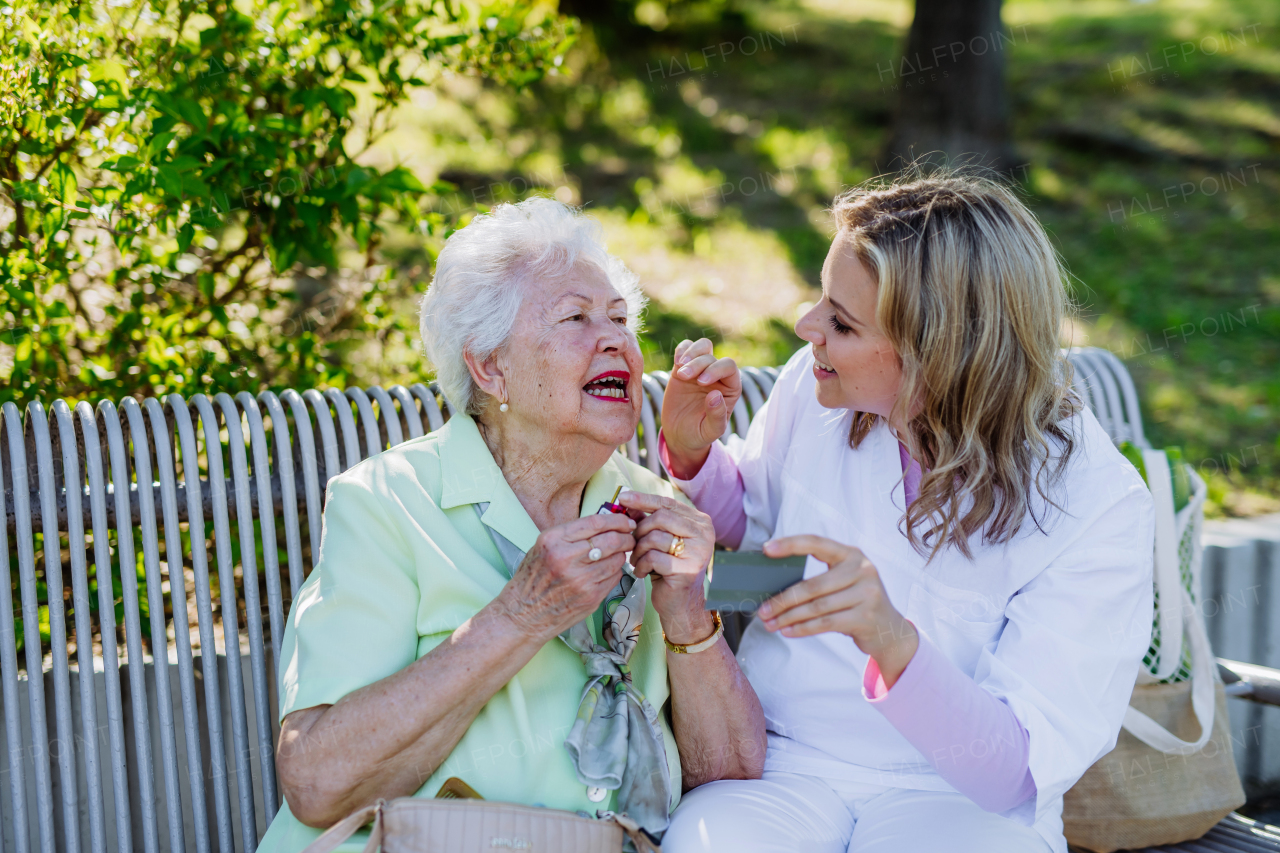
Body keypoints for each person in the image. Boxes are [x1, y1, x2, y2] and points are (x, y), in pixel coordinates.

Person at [657, 174, 1155, 853]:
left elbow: (1012, 772)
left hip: (956, 799)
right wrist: (692, 456)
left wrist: (890, 639)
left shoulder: (1096, 504)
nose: (807, 330)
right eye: (821, 301)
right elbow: (758, 538)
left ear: (937, 353)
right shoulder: (817, 387)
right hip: (784, 764)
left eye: (842, 321)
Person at [258, 197, 765, 853]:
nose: (616, 340)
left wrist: (688, 615)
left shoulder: (652, 510)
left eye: (620, 319)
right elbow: (319, 782)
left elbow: (730, 780)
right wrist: (518, 616)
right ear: (490, 366)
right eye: (575, 319)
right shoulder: (388, 502)